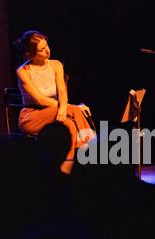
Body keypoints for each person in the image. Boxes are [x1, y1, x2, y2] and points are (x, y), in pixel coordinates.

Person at [14, 30, 95, 174]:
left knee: (69, 124)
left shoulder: (56, 65)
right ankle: (93, 151)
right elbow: (40, 99)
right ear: (31, 53)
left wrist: (64, 108)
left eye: (47, 46)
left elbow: (62, 92)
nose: (47, 51)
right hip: (32, 116)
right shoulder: (23, 71)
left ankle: (66, 171)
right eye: (42, 49)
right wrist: (71, 108)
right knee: (76, 110)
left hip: (56, 111)